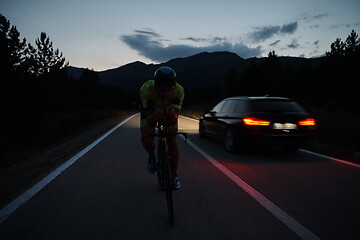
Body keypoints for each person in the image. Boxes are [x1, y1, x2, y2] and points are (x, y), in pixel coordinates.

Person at [140, 66, 185, 190]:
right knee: (147, 137)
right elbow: (149, 118)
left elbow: (175, 117)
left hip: (169, 112)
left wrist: (172, 116)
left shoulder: (179, 91)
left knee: (172, 141)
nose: (166, 93)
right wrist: (154, 116)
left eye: (169, 89)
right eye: (162, 90)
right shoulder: (146, 89)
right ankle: (151, 156)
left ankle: (174, 176)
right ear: (155, 86)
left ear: (174, 85)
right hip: (152, 111)